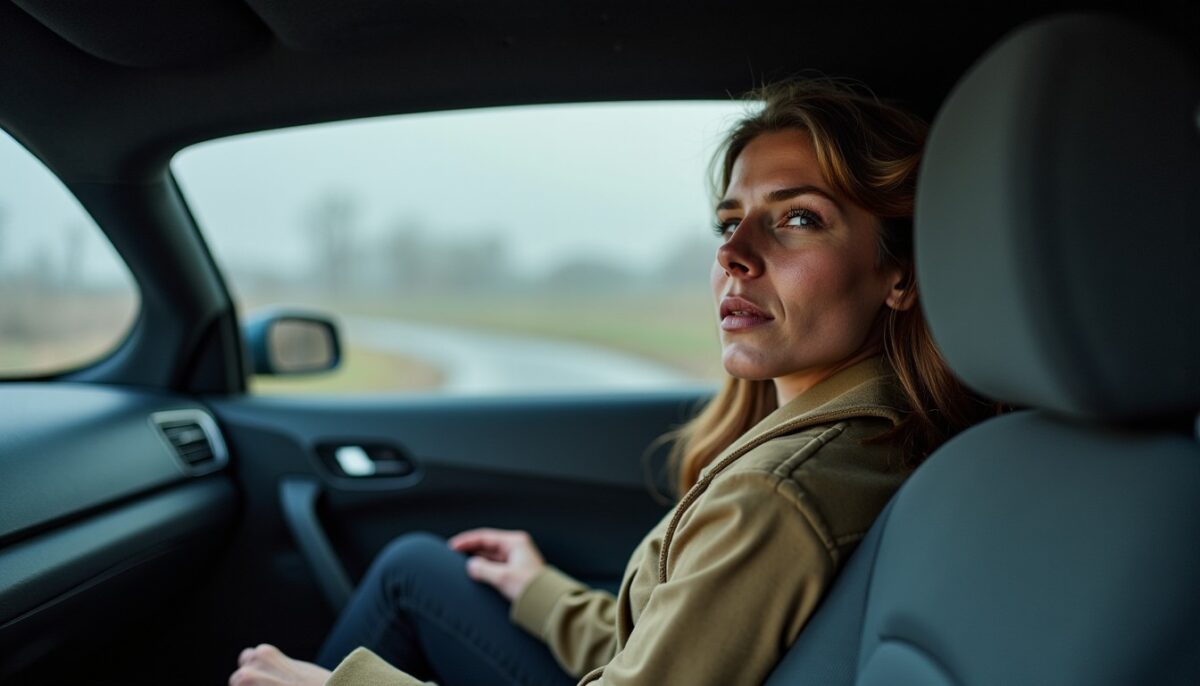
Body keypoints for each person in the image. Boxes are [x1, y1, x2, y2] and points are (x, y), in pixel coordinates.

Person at [229, 78, 996, 686]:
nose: (734, 252)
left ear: (897, 272)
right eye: (728, 222)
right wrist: (539, 589)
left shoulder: (777, 497)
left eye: (797, 219)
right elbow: (671, 648)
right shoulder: (873, 432)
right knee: (418, 567)